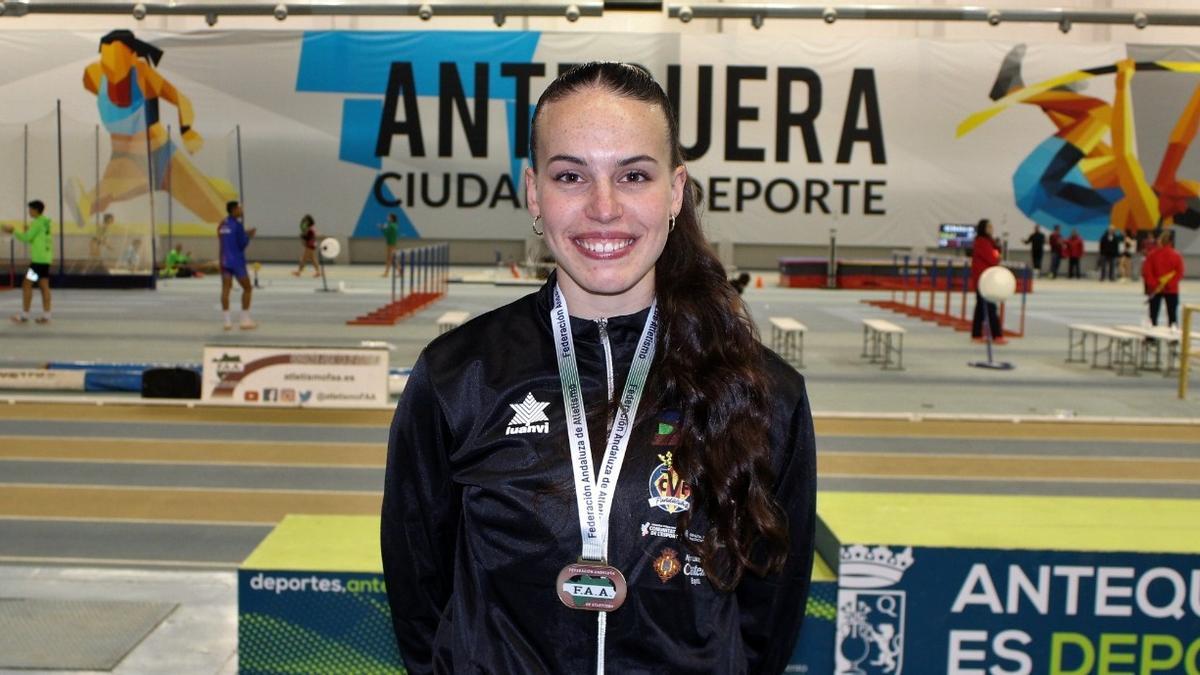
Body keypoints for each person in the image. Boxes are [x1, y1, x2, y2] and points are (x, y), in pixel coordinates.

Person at [381, 63, 816, 675]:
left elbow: (768, 616)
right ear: (535, 194)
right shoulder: (459, 378)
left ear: (675, 191)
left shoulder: (763, 391)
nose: (603, 208)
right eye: (570, 176)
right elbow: (418, 593)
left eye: (634, 175)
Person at [3, 200, 53, 324]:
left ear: (36, 210)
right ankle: (46, 316)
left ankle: (24, 315)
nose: (29, 212)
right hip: (46, 259)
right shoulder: (45, 222)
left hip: (38, 260)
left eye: (30, 209)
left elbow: (26, 238)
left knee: (26, 285)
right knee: (44, 287)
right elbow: (36, 239)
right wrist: (28, 231)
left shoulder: (36, 223)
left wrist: (13, 231)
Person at [218, 200, 256, 330]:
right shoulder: (238, 225)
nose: (242, 211)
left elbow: (223, 242)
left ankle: (227, 322)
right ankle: (244, 320)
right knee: (247, 288)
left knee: (225, 290)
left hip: (224, 261)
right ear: (234, 210)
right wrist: (248, 235)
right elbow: (242, 244)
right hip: (237, 262)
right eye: (240, 209)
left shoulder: (222, 225)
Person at [971, 218, 1005, 344]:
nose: (992, 229)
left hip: (984, 279)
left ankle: (976, 334)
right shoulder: (982, 242)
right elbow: (992, 259)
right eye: (989, 227)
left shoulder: (988, 241)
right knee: (990, 307)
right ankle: (997, 335)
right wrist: (997, 255)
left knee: (980, 308)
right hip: (983, 280)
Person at [1143, 230, 1185, 328]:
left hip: (1155, 289)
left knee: (1153, 315)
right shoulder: (1176, 256)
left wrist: (1154, 284)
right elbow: (1180, 273)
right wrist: (1170, 284)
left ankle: (1151, 337)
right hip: (1171, 289)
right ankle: (1173, 338)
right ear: (1171, 242)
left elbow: (1147, 272)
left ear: (1160, 241)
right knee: (1172, 315)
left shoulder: (1152, 255)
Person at [381, 213, 399, 277]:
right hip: (393, 243)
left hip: (390, 244)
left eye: (389, 217)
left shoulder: (391, 226)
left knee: (389, 259)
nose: (387, 218)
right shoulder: (395, 225)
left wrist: (382, 229)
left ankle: (386, 273)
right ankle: (400, 271)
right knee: (393, 259)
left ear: (391, 218)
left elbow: (386, 234)